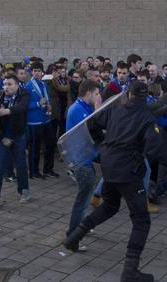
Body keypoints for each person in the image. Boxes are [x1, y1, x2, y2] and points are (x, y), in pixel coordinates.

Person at [64, 81, 167, 282]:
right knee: (141, 221)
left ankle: (74, 237)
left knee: (110, 206)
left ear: (129, 95)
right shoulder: (147, 117)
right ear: (143, 96)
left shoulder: (116, 109)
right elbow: (154, 148)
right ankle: (130, 270)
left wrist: (102, 146)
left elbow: (93, 121)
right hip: (128, 173)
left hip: (109, 166)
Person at [65, 80, 101, 245]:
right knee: (82, 199)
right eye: (96, 94)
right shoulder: (79, 109)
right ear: (89, 93)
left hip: (85, 156)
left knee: (85, 198)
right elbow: (91, 131)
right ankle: (73, 235)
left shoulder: (84, 107)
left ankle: (81, 226)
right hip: (80, 159)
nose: (98, 97)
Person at [0, 74, 30, 210]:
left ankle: (24, 190)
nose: (6, 87)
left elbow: (22, 107)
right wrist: (2, 137)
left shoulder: (24, 94)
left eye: (10, 84)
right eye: (5, 84)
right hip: (2, 137)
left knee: (21, 164)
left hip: (18, 136)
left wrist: (7, 111)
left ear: (17, 85)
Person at [25, 62, 58, 179]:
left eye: (39, 71)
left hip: (46, 118)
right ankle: (34, 172)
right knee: (35, 147)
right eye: (34, 71)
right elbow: (25, 105)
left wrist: (49, 104)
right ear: (31, 72)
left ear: (42, 72)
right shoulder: (28, 86)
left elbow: (46, 98)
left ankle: (48, 170)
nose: (37, 73)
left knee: (51, 144)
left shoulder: (44, 84)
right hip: (34, 121)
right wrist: (38, 104)